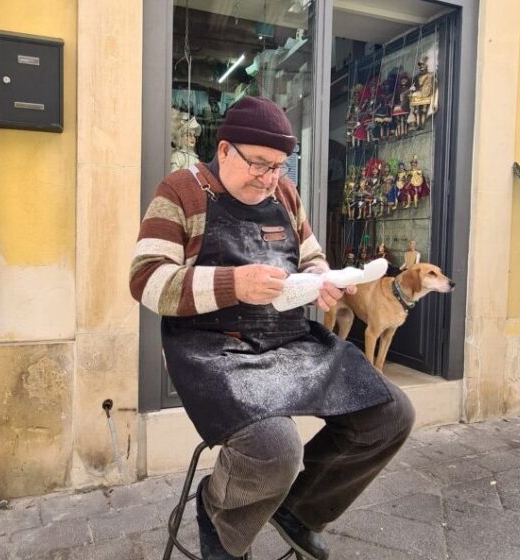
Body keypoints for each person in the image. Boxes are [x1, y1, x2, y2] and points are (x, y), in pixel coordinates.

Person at [129, 97, 415, 560]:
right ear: (224, 151)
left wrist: (325, 283)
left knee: (390, 413)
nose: (269, 179)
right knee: (274, 448)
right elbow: (146, 280)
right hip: (211, 350)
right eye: (259, 164)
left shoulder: (284, 193)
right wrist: (234, 282)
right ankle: (219, 517)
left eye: (278, 167)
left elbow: (311, 256)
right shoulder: (181, 191)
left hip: (285, 340)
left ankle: (299, 509)